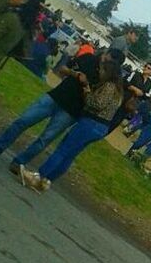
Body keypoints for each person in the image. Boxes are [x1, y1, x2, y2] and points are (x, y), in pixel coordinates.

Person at [0, 45, 123, 170]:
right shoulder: (88, 58)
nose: (104, 61)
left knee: (45, 138)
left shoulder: (107, 80)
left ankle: (20, 162)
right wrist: (75, 74)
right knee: (24, 120)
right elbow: (62, 69)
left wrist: (87, 87)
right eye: (105, 58)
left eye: (108, 62)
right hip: (56, 96)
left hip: (72, 111)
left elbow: (99, 101)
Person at [19, 57, 125, 192]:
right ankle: (47, 180)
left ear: (109, 72)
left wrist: (87, 91)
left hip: (91, 122)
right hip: (101, 126)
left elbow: (97, 104)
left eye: (103, 70)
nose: (100, 72)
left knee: (63, 150)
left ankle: (39, 176)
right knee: (71, 154)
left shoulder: (109, 86)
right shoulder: (118, 91)